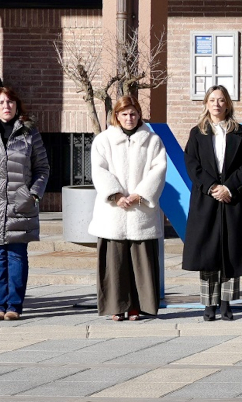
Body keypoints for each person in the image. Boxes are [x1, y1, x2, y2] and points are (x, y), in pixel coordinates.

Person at [0, 87, 50, 321]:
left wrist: (33, 195)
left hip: (19, 203)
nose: (6, 106)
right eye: (2, 102)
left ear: (17, 106)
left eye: (11, 102)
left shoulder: (29, 132)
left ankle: (14, 305)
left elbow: (42, 168)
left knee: (16, 256)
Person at [88, 97, 167, 321]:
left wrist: (140, 194)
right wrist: (115, 194)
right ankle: (116, 306)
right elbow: (99, 170)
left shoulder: (152, 141)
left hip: (141, 211)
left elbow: (158, 169)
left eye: (133, 113)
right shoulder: (104, 140)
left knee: (140, 262)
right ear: (117, 116)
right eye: (124, 114)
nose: (129, 118)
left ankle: (136, 306)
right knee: (115, 263)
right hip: (113, 212)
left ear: (139, 114)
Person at [184, 85, 242, 321]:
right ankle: (208, 304)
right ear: (206, 103)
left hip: (233, 200)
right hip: (207, 200)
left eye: (221, 100)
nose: (217, 104)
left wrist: (229, 188)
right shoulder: (197, 133)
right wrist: (214, 187)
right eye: (212, 100)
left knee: (231, 250)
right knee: (208, 252)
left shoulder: (241, 133)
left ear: (228, 104)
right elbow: (192, 165)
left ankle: (226, 303)